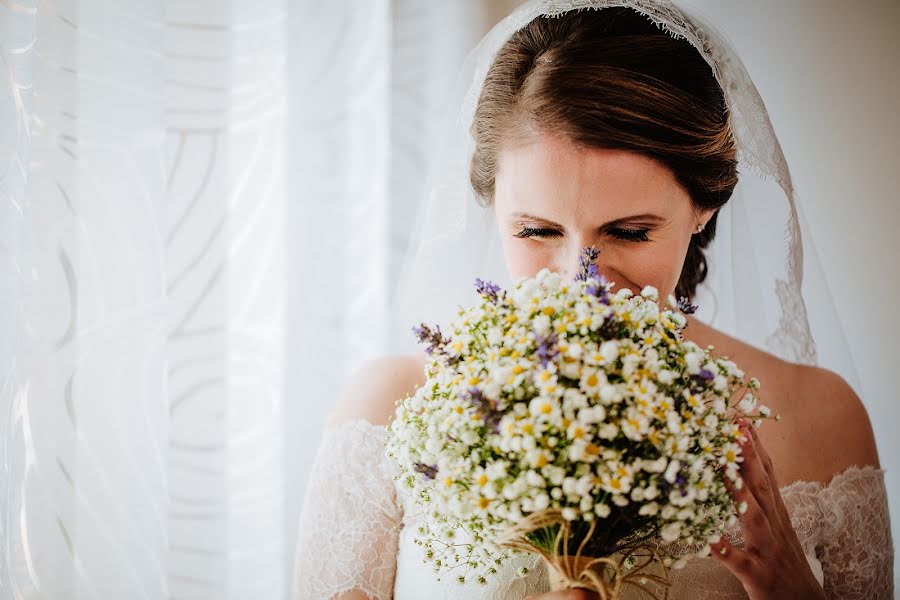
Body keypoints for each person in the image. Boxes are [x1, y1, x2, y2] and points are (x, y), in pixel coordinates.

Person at [291, 2, 894, 599]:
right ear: (491, 207)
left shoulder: (821, 419)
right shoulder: (391, 413)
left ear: (704, 205)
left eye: (629, 232)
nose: (583, 281)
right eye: (536, 231)